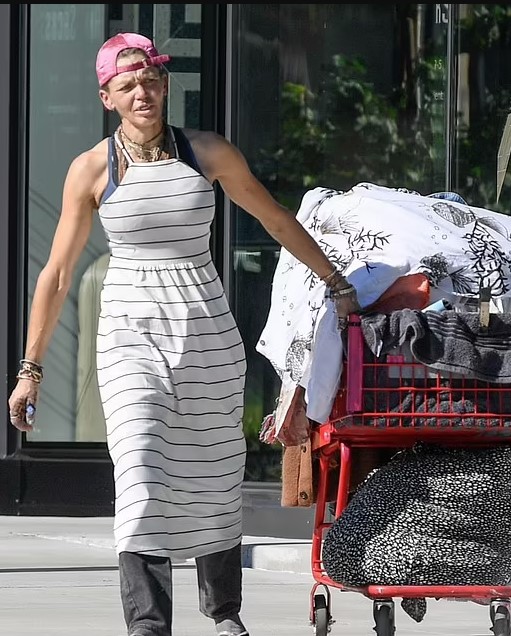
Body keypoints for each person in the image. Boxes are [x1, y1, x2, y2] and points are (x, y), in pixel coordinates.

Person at [7, 32, 360, 636]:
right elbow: (59, 272)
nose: (141, 92)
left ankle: (224, 613)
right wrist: (29, 369)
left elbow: (275, 218)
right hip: (128, 330)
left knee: (213, 473)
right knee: (140, 467)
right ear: (107, 97)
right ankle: (148, 623)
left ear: (164, 85)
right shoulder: (92, 169)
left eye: (150, 80)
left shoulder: (207, 153)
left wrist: (337, 282)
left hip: (205, 329)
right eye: (128, 85)